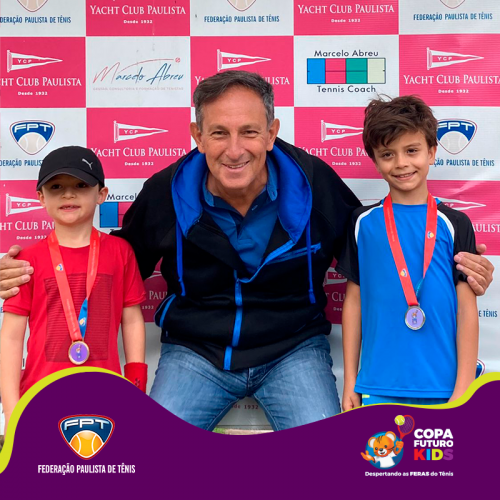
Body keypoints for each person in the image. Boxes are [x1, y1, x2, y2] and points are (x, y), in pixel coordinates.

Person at [0, 73, 494, 431]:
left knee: (330, 465)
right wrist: (28, 269)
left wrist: (461, 269)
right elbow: (111, 261)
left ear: (272, 132)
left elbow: (380, 251)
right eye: (219, 132)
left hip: (293, 351)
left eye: (250, 132)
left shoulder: (313, 183)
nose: (234, 149)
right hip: (195, 353)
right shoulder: (167, 191)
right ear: (197, 136)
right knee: (148, 456)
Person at [339, 96, 479, 410]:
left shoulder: (455, 223)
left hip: (444, 386)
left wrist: (463, 389)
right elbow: (354, 301)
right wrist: (350, 380)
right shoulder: (362, 223)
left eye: (412, 150)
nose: (401, 163)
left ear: (432, 152)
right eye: (388, 154)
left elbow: (466, 308)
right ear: (375, 161)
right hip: (377, 384)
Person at [0, 147, 147, 434]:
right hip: (40, 397)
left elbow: (131, 320)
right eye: (56, 187)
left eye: (81, 185)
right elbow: (11, 337)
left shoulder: (120, 252)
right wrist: (12, 409)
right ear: (41, 197)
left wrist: (136, 387)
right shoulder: (25, 261)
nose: (68, 194)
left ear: (101, 194)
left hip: (107, 398)